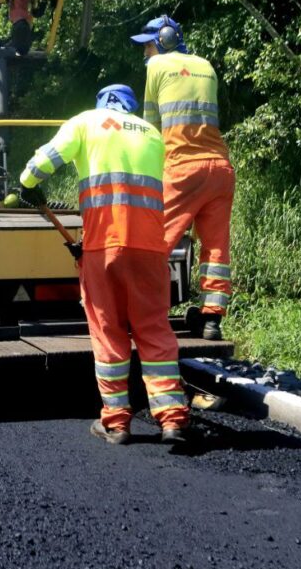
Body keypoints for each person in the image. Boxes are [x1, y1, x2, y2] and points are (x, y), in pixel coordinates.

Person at [18, 84, 191, 444]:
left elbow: (39, 167)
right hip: (149, 249)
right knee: (154, 329)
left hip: (104, 247)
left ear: (102, 103)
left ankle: (116, 422)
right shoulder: (152, 134)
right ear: (129, 107)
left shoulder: (86, 123)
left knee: (108, 330)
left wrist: (27, 183)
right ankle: (172, 419)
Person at [131, 15, 234, 341]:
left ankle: (144, 312)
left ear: (163, 40)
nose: (144, 53)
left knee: (155, 241)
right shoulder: (206, 65)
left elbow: (149, 125)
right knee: (216, 248)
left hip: (182, 168)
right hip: (219, 168)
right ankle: (212, 320)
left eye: (147, 45)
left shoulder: (156, 67)